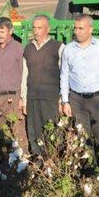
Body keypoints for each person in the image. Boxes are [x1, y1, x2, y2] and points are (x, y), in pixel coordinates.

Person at [60, 13, 99, 168]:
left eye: (81, 28)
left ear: (91, 29)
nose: (77, 31)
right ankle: (87, 174)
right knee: (82, 137)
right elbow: (64, 76)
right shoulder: (69, 50)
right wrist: (65, 101)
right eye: (75, 28)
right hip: (77, 100)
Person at [21, 15, 64, 157]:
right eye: (34, 27)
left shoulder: (58, 47)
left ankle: (54, 161)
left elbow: (64, 74)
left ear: (48, 29)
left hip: (51, 98)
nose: (36, 31)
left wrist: (62, 100)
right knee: (34, 131)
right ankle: (38, 160)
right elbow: (24, 75)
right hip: (33, 97)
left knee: (52, 131)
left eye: (40, 27)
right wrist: (24, 99)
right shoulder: (28, 48)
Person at [0, 17, 28, 157]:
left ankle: (24, 161)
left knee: (17, 130)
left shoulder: (19, 49)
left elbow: (24, 75)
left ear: (10, 31)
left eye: (2, 32)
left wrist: (22, 98)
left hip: (13, 97)